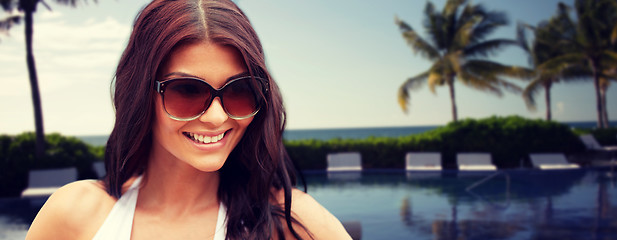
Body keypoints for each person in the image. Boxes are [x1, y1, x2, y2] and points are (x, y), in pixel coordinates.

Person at [25, 0, 352, 239]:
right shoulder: (74, 216)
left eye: (240, 90)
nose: (217, 116)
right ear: (141, 94)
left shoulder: (293, 223)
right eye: (187, 90)